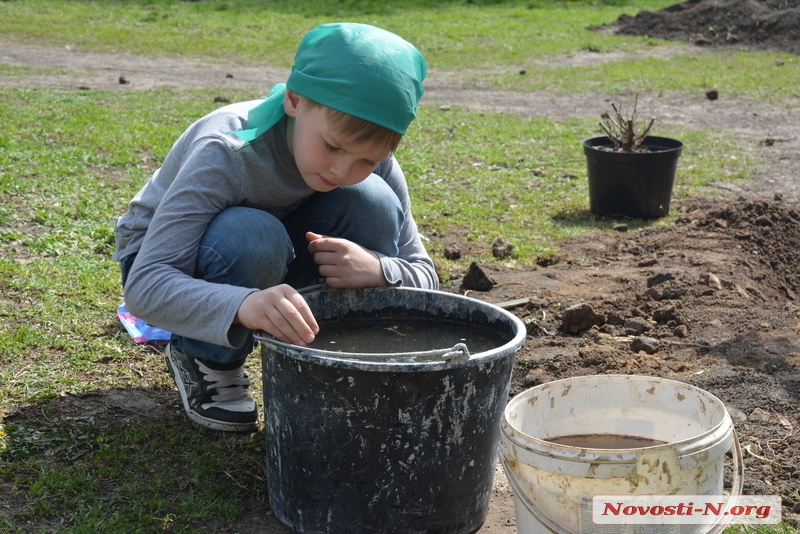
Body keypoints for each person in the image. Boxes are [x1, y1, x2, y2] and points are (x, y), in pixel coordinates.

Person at [112, 22, 437, 433]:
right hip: (175, 261)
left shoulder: (376, 163)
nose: (343, 169)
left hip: (278, 256)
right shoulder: (227, 151)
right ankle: (208, 359)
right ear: (294, 101)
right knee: (251, 234)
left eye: (366, 160)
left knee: (370, 201)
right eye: (333, 147)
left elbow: (427, 277)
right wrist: (243, 304)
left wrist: (379, 268)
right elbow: (145, 287)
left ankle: (333, 354)